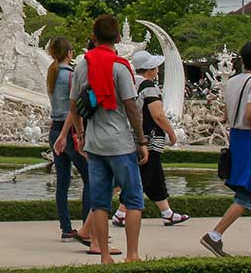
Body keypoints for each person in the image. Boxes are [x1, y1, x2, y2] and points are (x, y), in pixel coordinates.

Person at [57, 14, 147, 263]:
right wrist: (141, 141)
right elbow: (131, 107)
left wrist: (82, 136)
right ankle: (132, 254)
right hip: (120, 143)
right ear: (118, 37)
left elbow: (74, 107)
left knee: (99, 202)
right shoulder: (120, 66)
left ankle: (104, 256)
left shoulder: (83, 65)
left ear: (93, 37)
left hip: (94, 144)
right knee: (133, 199)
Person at [200, 42, 251, 258]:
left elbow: (227, 116)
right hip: (249, 140)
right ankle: (215, 235)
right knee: (247, 193)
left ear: (242, 60)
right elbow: (250, 115)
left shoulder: (232, 81)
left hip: (235, 137)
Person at [112, 51, 190, 228]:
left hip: (134, 135)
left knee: (155, 176)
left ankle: (167, 213)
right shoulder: (149, 86)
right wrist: (171, 132)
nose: (157, 70)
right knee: (143, 176)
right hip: (151, 138)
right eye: (155, 67)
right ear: (149, 69)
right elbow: (158, 114)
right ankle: (121, 212)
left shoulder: (131, 83)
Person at [46, 37, 91, 243]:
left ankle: (65, 229)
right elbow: (74, 111)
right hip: (68, 131)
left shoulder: (52, 73)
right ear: (70, 53)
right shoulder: (71, 76)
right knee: (89, 177)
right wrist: (77, 135)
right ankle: (87, 227)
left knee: (62, 182)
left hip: (54, 129)